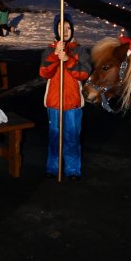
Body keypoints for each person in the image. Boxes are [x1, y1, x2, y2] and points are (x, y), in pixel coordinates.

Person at [39, 13, 91, 180]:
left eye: (68, 28)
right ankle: (52, 168)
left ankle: (72, 169)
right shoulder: (49, 49)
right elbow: (44, 72)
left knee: (72, 137)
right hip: (54, 102)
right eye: (61, 28)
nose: (66, 31)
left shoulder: (80, 50)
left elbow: (84, 73)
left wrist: (68, 60)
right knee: (54, 137)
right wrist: (55, 56)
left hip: (73, 103)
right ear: (56, 30)